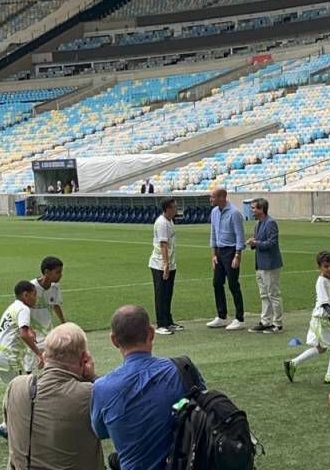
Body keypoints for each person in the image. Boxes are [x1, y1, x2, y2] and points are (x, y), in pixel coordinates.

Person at [91, 305, 204, 470]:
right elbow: (199, 407)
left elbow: (101, 431)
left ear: (114, 340)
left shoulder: (102, 388)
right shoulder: (183, 369)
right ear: (151, 333)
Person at [3, 323, 104, 470]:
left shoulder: (15, 386)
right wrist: (92, 377)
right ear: (84, 358)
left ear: (44, 357)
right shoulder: (90, 393)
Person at [284, 251, 330, 385]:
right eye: (326, 266)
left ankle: (292, 363)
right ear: (319, 267)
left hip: (322, 319)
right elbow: (324, 304)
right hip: (323, 319)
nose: (329, 268)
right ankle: (329, 375)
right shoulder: (321, 282)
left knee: (321, 348)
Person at [0, 281, 45, 438]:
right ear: (26, 295)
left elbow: (19, 329)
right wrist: (39, 353)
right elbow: (22, 333)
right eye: (34, 295)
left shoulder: (13, 307)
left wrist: (31, 330)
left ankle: (7, 426)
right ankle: (13, 427)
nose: (36, 298)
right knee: (21, 391)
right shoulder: (23, 309)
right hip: (10, 357)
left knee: (13, 391)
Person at [206, 188, 245, 331]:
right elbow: (213, 233)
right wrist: (214, 254)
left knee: (233, 284)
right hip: (220, 251)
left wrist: (237, 255)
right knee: (217, 283)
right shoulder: (215, 212)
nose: (211, 199)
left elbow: (239, 235)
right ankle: (221, 316)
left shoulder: (234, 213)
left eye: (213, 197)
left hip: (231, 250)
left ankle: (239, 318)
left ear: (222, 197)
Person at [247, 198, 284, 334]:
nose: (252, 211)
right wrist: (254, 243)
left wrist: (256, 243)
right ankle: (265, 321)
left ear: (261, 209)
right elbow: (261, 242)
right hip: (260, 264)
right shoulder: (258, 224)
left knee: (273, 294)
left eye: (253, 208)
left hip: (270, 264)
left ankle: (277, 323)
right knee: (264, 294)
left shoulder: (270, 223)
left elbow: (272, 243)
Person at [25, 257, 67, 373]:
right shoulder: (31, 287)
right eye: (57, 272)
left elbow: (56, 305)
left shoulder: (55, 287)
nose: (60, 275)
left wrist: (63, 323)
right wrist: (28, 328)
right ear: (47, 272)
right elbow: (23, 309)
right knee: (29, 360)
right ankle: (26, 384)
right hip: (32, 331)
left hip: (47, 330)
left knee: (51, 359)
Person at [149, 198, 180, 336]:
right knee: (161, 294)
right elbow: (163, 245)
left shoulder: (170, 221)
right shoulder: (161, 223)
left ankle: (168, 321)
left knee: (168, 293)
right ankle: (161, 324)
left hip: (170, 263)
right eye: (174, 207)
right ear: (167, 208)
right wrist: (166, 264)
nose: (176, 209)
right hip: (159, 264)